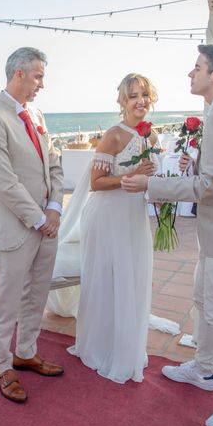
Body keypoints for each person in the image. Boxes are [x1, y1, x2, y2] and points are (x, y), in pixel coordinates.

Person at [122, 42, 213, 426]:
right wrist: (198, 160)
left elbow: (210, 187)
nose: (190, 73)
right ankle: (203, 370)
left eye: (197, 67)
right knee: (203, 300)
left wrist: (151, 184)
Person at [55, 73, 159, 384]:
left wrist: (154, 173)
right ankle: (99, 346)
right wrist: (133, 176)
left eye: (144, 95)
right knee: (106, 278)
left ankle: (125, 345)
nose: (140, 101)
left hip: (133, 215)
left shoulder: (151, 136)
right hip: (106, 216)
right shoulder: (113, 136)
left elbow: (148, 174)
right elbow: (97, 184)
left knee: (133, 276)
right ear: (123, 101)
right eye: (133, 96)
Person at [0, 47, 64, 404]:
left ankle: (26, 351)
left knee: (37, 294)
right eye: (38, 76)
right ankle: (1, 365)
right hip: (18, 228)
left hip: (48, 224)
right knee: (8, 300)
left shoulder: (36, 112)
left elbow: (54, 163)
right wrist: (40, 218)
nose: (42, 83)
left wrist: (55, 207)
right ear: (19, 75)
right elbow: (4, 182)